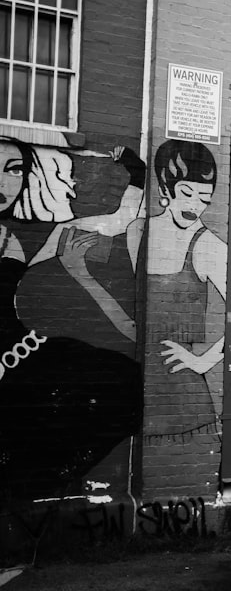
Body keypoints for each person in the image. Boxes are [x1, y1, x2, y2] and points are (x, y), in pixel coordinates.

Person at [0, 137, 141, 499]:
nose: (4, 184)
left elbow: (123, 217)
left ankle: (47, 487)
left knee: (123, 381)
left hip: (25, 352)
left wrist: (135, 169)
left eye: (14, 170)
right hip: (15, 362)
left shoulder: (41, 236)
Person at [127, 140, 231, 458]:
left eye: (204, 199)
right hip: (138, 386)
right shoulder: (137, 232)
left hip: (184, 397)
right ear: (166, 189)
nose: (194, 205)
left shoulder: (207, 246)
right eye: (187, 193)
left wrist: (202, 362)